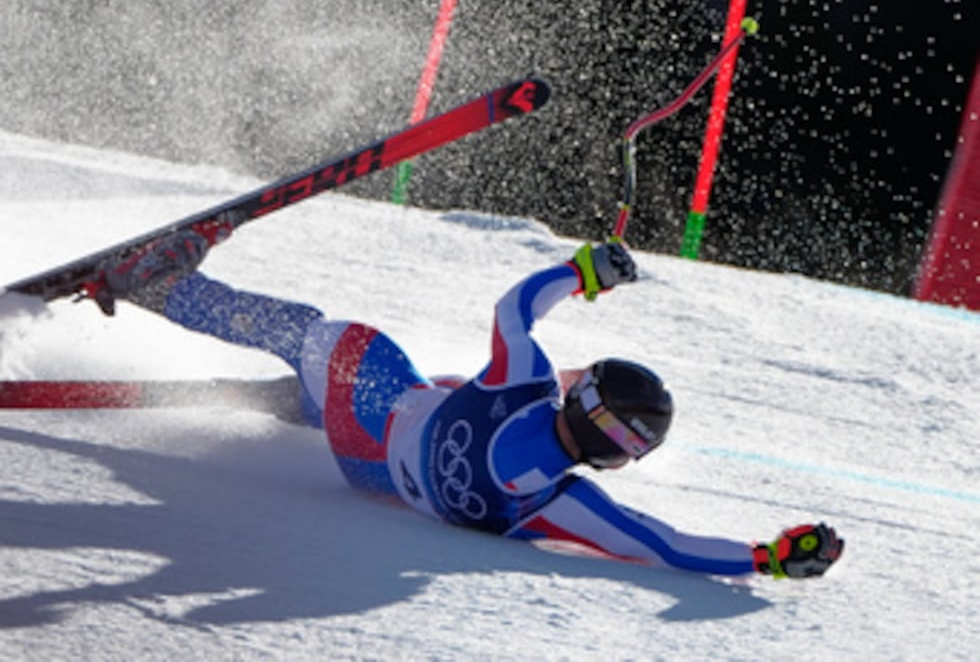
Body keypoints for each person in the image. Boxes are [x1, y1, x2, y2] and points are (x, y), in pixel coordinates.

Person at [96, 225, 844, 581]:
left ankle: (159, 283)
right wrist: (767, 557)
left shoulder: (524, 383)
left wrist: (582, 272)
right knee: (445, 390)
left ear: (583, 396)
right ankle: (308, 404)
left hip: (381, 412)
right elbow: (664, 544)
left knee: (323, 334)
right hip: (375, 477)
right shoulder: (562, 504)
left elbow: (515, 306)